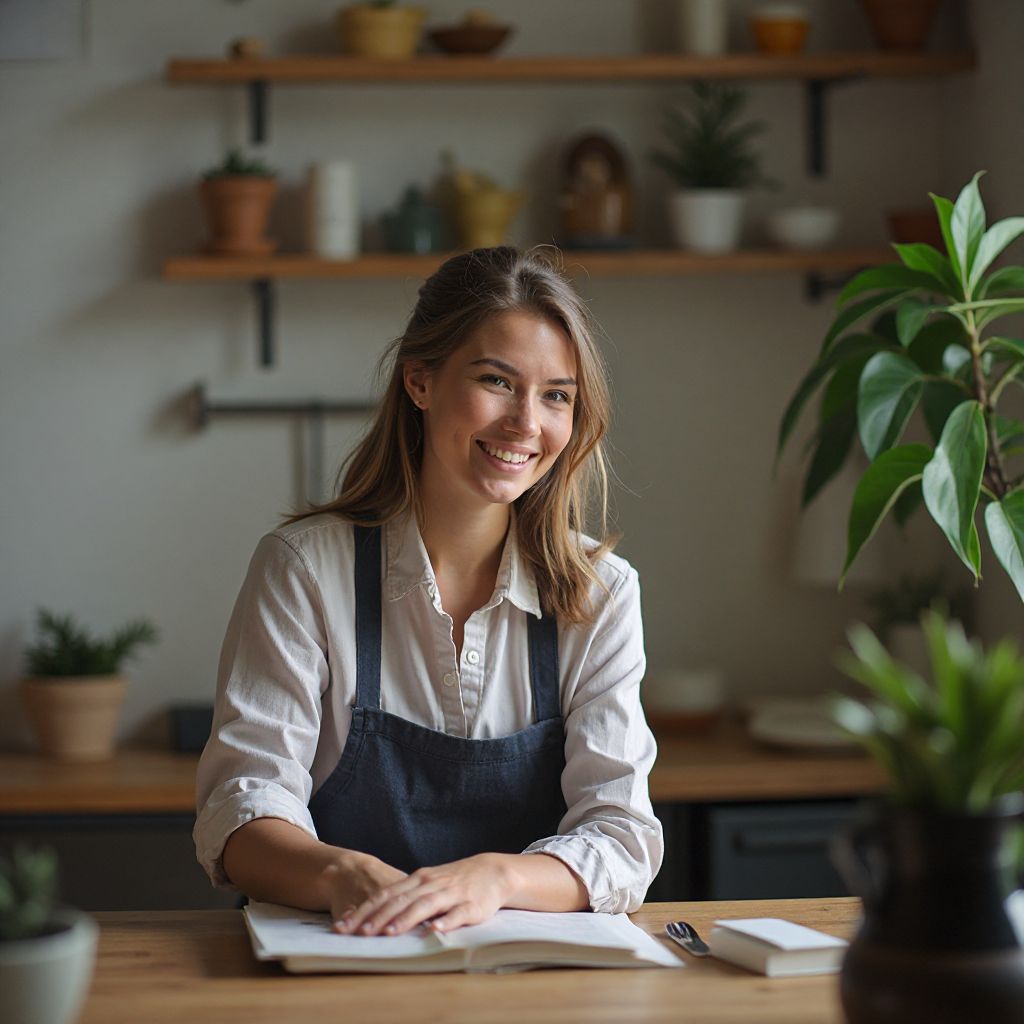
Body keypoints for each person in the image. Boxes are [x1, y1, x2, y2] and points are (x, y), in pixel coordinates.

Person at [194, 245, 662, 938]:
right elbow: (240, 808)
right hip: (335, 965)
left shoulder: (601, 594)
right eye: (497, 381)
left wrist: (494, 878)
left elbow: (622, 838)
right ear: (420, 381)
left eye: (556, 395)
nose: (527, 424)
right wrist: (340, 876)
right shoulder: (303, 569)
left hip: (524, 986)